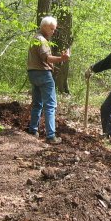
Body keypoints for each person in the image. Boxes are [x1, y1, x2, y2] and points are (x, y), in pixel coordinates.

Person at [27, 16, 69, 144]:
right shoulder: (41, 40)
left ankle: (33, 130)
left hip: (33, 73)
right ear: (44, 26)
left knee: (37, 103)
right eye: (51, 29)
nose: (53, 31)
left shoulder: (35, 38)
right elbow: (47, 58)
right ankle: (51, 136)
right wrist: (62, 58)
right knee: (50, 105)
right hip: (43, 74)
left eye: (54, 29)